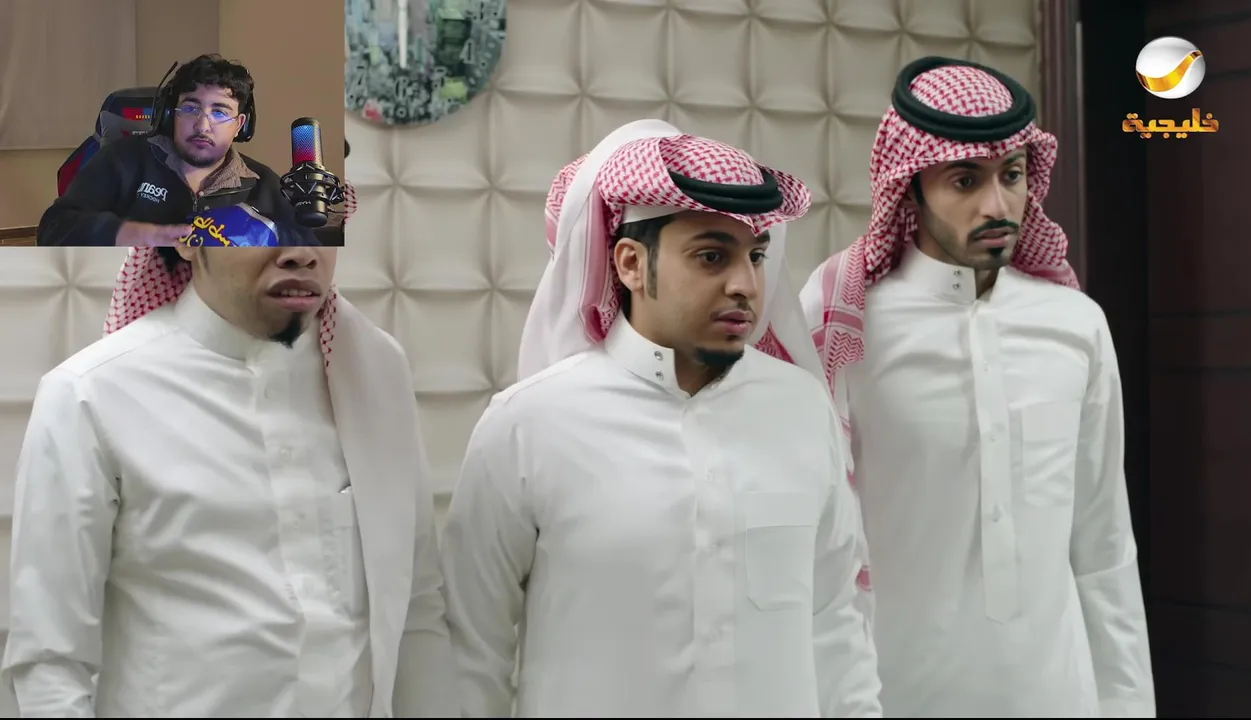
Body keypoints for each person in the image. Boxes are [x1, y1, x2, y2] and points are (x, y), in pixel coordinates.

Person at [441, 119, 882, 718]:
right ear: (630, 263)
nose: (745, 284)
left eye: (755, 256)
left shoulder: (803, 410)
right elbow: (472, 654)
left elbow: (836, 626)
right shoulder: (528, 426)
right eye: (711, 257)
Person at [799, 56, 1155, 717]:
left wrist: (1128, 703)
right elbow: (813, 549)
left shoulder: (1076, 325)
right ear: (910, 188)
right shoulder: (841, 322)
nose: (997, 205)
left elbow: (1103, 543)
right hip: (895, 695)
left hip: (1058, 695)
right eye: (965, 180)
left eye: (1011, 175)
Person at [1, 246, 457, 717]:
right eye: (259, 217)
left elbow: (416, 607)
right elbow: (50, 663)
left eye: (319, 214)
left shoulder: (375, 370)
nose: (300, 252)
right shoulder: (90, 394)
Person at [36, 53, 316, 248]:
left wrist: (271, 240)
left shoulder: (264, 185)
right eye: (191, 108)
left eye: (220, 113)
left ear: (239, 125)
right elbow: (53, 228)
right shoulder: (122, 161)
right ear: (171, 115)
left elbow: (311, 256)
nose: (202, 126)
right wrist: (122, 233)